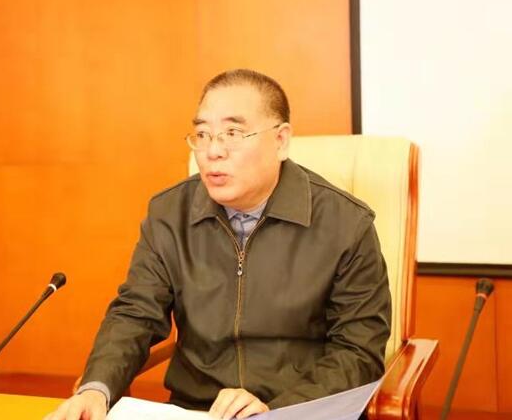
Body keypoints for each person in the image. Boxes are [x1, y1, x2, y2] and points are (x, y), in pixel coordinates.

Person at [45, 69, 391, 420]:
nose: (212, 151)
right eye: (202, 134)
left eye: (233, 134)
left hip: (298, 412)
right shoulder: (170, 214)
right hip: (196, 411)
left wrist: (276, 410)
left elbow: (358, 351)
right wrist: (97, 388)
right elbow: (136, 313)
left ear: (281, 141)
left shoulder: (347, 224)